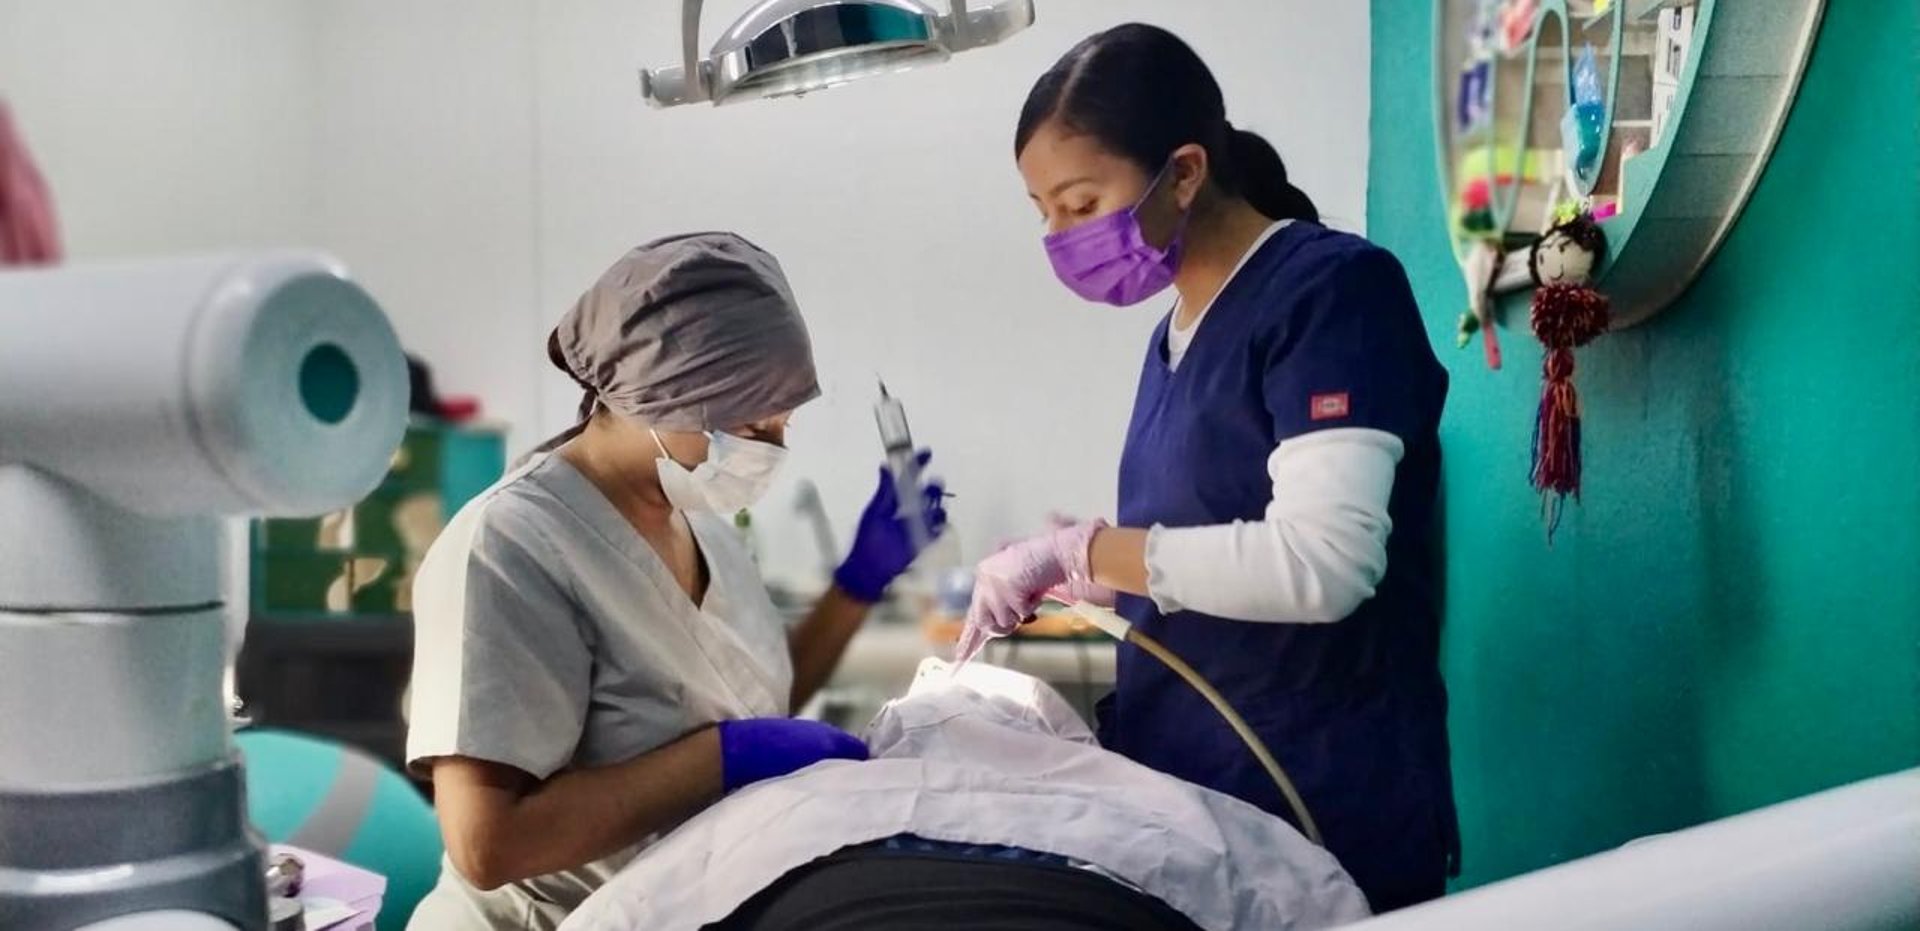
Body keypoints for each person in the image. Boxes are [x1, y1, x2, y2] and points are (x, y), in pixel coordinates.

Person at [964, 24, 1458, 912]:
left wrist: (1093, 551)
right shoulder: (1174, 338)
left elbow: (1325, 563)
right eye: (1044, 210)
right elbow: (1198, 554)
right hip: (1198, 808)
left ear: (1185, 171)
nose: (1060, 235)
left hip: (1317, 806)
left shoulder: (1332, 293)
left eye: (1079, 203)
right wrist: (1086, 581)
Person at [404, 232, 946, 929]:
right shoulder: (510, 547)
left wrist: (858, 583)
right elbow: (488, 842)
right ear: (662, 394)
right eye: (753, 424)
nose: (772, 450)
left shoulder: (699, 520)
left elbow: (747, 699)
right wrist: (720, 759)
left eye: (782, 423)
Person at [558, 661, 1370, 931]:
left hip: (822, 896)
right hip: (1093, 897)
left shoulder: (801, 800)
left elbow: (628, 911)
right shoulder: (1124, 794)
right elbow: (1313, 896)